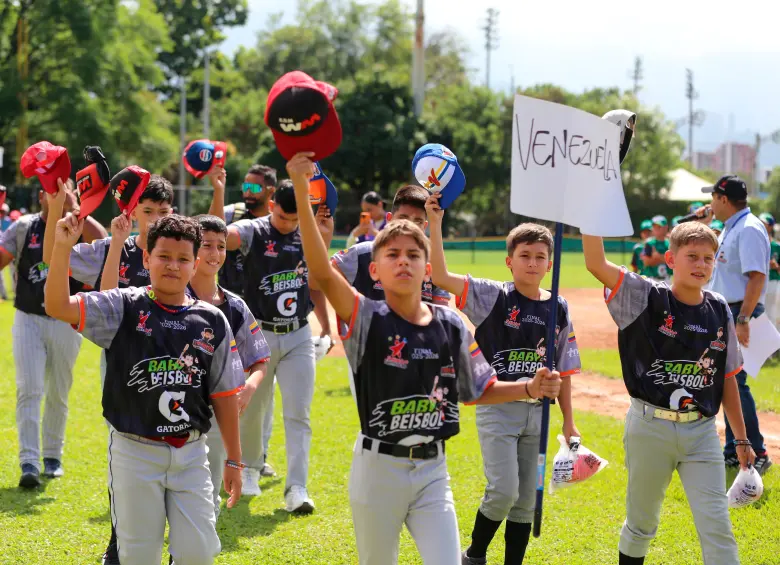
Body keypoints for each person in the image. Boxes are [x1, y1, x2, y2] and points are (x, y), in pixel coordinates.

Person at [286, 151, 562, 565]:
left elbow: (480, 388)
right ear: (374, 270)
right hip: (377, 470)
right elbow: (322, 274)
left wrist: (529, 387)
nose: (404, 261)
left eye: (414, 255)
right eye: (393, 254)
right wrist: (301, 188)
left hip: (434, 472)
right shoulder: (365, 317)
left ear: (427, 267)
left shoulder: (450, 324)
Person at [45, 214, 245, 565]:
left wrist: (233, 459)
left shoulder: (212, 320)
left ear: (195, 263)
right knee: (139, 556)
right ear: (146, 258)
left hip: (191, 452)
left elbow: (225, 394)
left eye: (183, 259)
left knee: (198, 553)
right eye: (164, 256)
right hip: (134, 451)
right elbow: (58, 306)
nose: (173, 266)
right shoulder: (122, 305)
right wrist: (62, 247)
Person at [583, 221, 755, 565]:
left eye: (708, 258)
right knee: (641, 524)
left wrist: (741, 438)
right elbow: (596, 264)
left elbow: (728, 377)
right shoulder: (645, 296)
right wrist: (590, 211)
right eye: (692, 256)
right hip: (650, 427)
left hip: (701, 431)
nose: (701, 264)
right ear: (671, 259)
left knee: (717, 526)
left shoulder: (719, 307)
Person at [426, 194, 581, 565]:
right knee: (503, 491)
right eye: (524, 255)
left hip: (539, 414)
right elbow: (441, 277)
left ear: (550, 263)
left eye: (540, 257)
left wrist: (569, 421)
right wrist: (435, 222)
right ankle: (474, 555)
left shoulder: (559, 307)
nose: (532, 263)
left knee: (526, 499)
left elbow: (564, 369)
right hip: (498, 408)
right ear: (509, 260)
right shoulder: (491, 296)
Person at [225, 181, 330, 511]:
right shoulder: (254, 230)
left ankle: (297, 487)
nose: (288, 225)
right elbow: (226, 236)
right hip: (260, 333)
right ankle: (251, 468)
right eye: (283, 217)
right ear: (272, 205)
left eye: (295, 219)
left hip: (298, 332)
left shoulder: (308, 234)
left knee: (299, 413)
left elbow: (318, 281)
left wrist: (327, 326)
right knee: (254, 408)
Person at [0, 182, 105, 488]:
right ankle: (29, 462)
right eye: (50, 190)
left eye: (63, 189)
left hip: (66, 320)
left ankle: (52, 456)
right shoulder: (24, 226)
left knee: (59, 391)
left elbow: (102, 242)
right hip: (28, 317)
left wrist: (76, 209)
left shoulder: (78, 224)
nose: (56, 195)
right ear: (41, 196)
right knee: (29, 389)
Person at [188, 215, 272, 516]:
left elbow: (260, 360)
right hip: (174, 410)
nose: (215, 253)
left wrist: (249, 387)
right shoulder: (172, 297)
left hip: (217, 413)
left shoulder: (235, 306)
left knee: (208, 496)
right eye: (206, 245)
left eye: (221, 246)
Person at [698, 175, 772, 475]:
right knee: (727, 382)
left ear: (723, 199)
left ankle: (757, 451)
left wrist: (743, 319)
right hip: (728, 310)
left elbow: (757, 277)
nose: (711, 203)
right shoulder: (733, 226)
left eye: (714, 198)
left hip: (739, 311)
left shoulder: (748, 228)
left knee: (736, 383)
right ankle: (733, 449)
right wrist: (704, 224)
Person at [43, 174, 174, 289]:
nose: (156, 219)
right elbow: (52, 259)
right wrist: (55, 206)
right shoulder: (109, 249)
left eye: (163, 212)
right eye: (148, 211)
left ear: (171, 213)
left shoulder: (181, 253)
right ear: (133, 213)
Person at [759, 212, 780, 329]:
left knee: (771, 312)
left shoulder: (776, 246)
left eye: (764, 223)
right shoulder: (756, 243)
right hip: (758, 281)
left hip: (772, 281)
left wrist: (775, 266)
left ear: (770, 226)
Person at [639, 215, 670, 282]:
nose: (656, 229)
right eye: (654, 227)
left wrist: (657, 256)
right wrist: (664, 259)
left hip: (667, 279)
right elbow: (646, 262)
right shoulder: (649, 243)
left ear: (666, 227)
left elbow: (674, 262)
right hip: (652, 279)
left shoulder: (670, 243)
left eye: (659, 227)